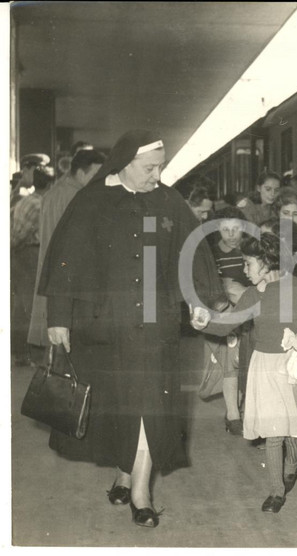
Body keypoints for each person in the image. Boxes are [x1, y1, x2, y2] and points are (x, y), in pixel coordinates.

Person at [38, 129, 227, 528]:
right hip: (102, 322)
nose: (157, 175)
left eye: (160, 167)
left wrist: (196, 301)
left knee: (149, 404)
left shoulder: (167, 200)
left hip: (155, 323)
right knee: (116, 403)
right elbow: (66, 260)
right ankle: (125, 471)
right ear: (124, 164)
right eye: (149, 168)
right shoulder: (92, 201)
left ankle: (140, 491)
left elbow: (190, 252)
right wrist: (58, 318)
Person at [191, 233, 297, 513]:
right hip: (264, 366)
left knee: (295, 427)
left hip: (296, 366)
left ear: (268, 263)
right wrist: (202, 322)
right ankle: (275, 491)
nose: (244, 270)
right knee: (273, 431)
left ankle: (291, 466)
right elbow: (225, 326)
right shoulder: (252, 295)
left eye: (248, 264)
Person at [27, 149, 106, 354]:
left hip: (51, 270)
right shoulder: (76, 196)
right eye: (94, 175)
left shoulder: (56, 191)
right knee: (65, 344)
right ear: (80, 173)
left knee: (54, 339)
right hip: (65, 275)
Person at [207, 206, 254, 435]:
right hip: (228, 312)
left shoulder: (249, 250)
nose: (232, 234)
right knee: (231, 361)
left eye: (236, 229)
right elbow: (213, 287)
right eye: (226, 229)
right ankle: (233, 414)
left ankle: (240, 407)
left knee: (248, 359)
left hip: (252, 311)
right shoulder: (213, 255)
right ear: (218, 229)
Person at [11, 167, 55, 366]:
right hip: (29, 253)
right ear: (49, 184)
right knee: (28, 305)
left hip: (22, 254)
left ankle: (21, 351)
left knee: (22, 303)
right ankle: (23, 352)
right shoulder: (39, 204)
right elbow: (20, 234)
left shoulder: (25, 201)